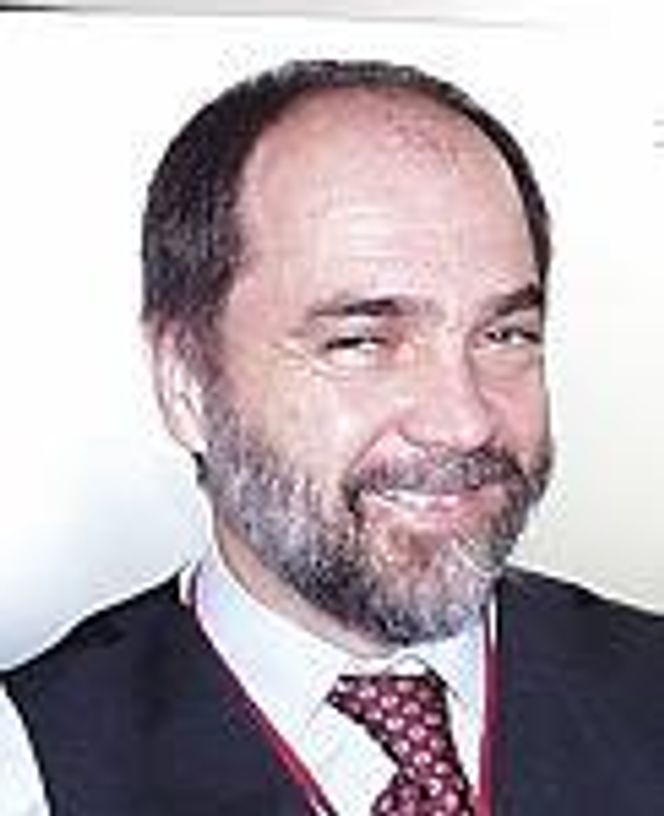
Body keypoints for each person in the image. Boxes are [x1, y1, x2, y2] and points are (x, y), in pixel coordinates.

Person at [3, 59, 664, 816]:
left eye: (505, 334)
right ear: (185, 381)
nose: (465, 421)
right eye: (360, 342)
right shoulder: (28, 768)